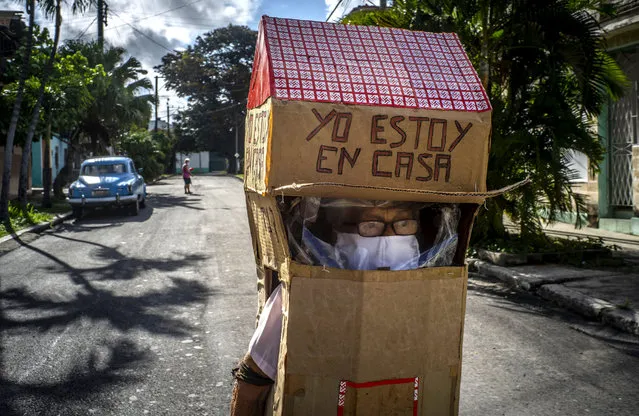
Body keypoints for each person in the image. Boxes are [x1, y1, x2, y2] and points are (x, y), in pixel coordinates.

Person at [230, 198, 460, 415]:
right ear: (339, 230)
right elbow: (253, 380)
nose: (390, 237)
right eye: (371, 225)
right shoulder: (305, 293)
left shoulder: (433, 296)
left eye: (403, 223)